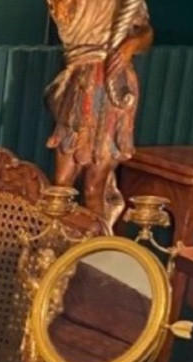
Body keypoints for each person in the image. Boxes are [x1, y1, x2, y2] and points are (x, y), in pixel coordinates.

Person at [45, 0, 153, 226]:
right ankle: (58, 244)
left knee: (95, 185)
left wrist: (129, 46)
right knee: (62, 181)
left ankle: (96, 250)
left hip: (111, 81)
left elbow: (145, 32)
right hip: (79, 82)